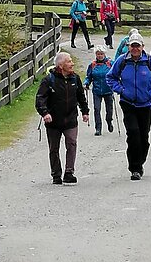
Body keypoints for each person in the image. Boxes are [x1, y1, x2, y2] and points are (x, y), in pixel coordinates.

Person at [107, 32, 151, 181]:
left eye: (137, 46)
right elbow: (110, 77)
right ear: (128, 47)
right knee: (133, 133)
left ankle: (140, 161)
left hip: (145, 104)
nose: (134, 49)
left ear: (142, 47)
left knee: (143, 137)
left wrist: (150, 93)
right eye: (132, 46)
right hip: (128, 103)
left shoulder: (149, 61)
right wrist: (121, 90)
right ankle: (135, 168)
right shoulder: (122, 61)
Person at [35, 52, 89, 185]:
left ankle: (69, 172)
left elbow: (81, 96)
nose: (72, 64)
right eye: (69, 61)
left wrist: (85, 111)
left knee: (71, 143)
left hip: (70, 119)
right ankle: (56, 174)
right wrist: (45, 113)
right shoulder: (49, 80)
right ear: (61, 65)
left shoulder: (75, 78)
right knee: (54, 148)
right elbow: (40, 99)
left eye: (71, 61)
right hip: (53, 121)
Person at [84, 45, 114, 136]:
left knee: (109, 110)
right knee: (97, 109)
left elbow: (114, 75)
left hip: (108, 90)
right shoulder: (92, 65)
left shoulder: (110, 64)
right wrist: (86, 83)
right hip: (97, 91)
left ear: (104, 54)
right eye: (98, 54)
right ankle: (98, 128)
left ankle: (109, 121)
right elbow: (88, 77)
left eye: (101, 54)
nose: (99, 56)